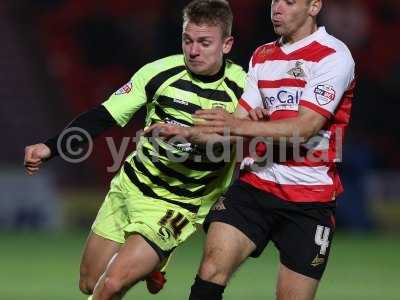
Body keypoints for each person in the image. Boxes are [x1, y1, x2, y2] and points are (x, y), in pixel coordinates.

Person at [23, 1, 246, 299]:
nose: (193, 51)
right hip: (131, 186)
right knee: (90, 283)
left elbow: (246, 139)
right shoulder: (159, 73)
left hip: (177, 206)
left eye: (204, 42)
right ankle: (151, 265)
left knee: (111, 285)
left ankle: (152, 254)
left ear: (227, 44)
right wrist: (50, 147)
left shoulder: (243, 89)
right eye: (187, 40)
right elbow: (104, 116)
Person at [147, 0, 356, 299]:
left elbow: (304, 128)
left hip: (309, 199)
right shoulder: (262, 56)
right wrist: (187, 134)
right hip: (254, 187)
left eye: (289, 1)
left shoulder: (334, 56)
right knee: (210, 271)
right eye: (274, 1)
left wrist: (236, 126)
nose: (277, 8)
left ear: (314, 6)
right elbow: (236, 126)